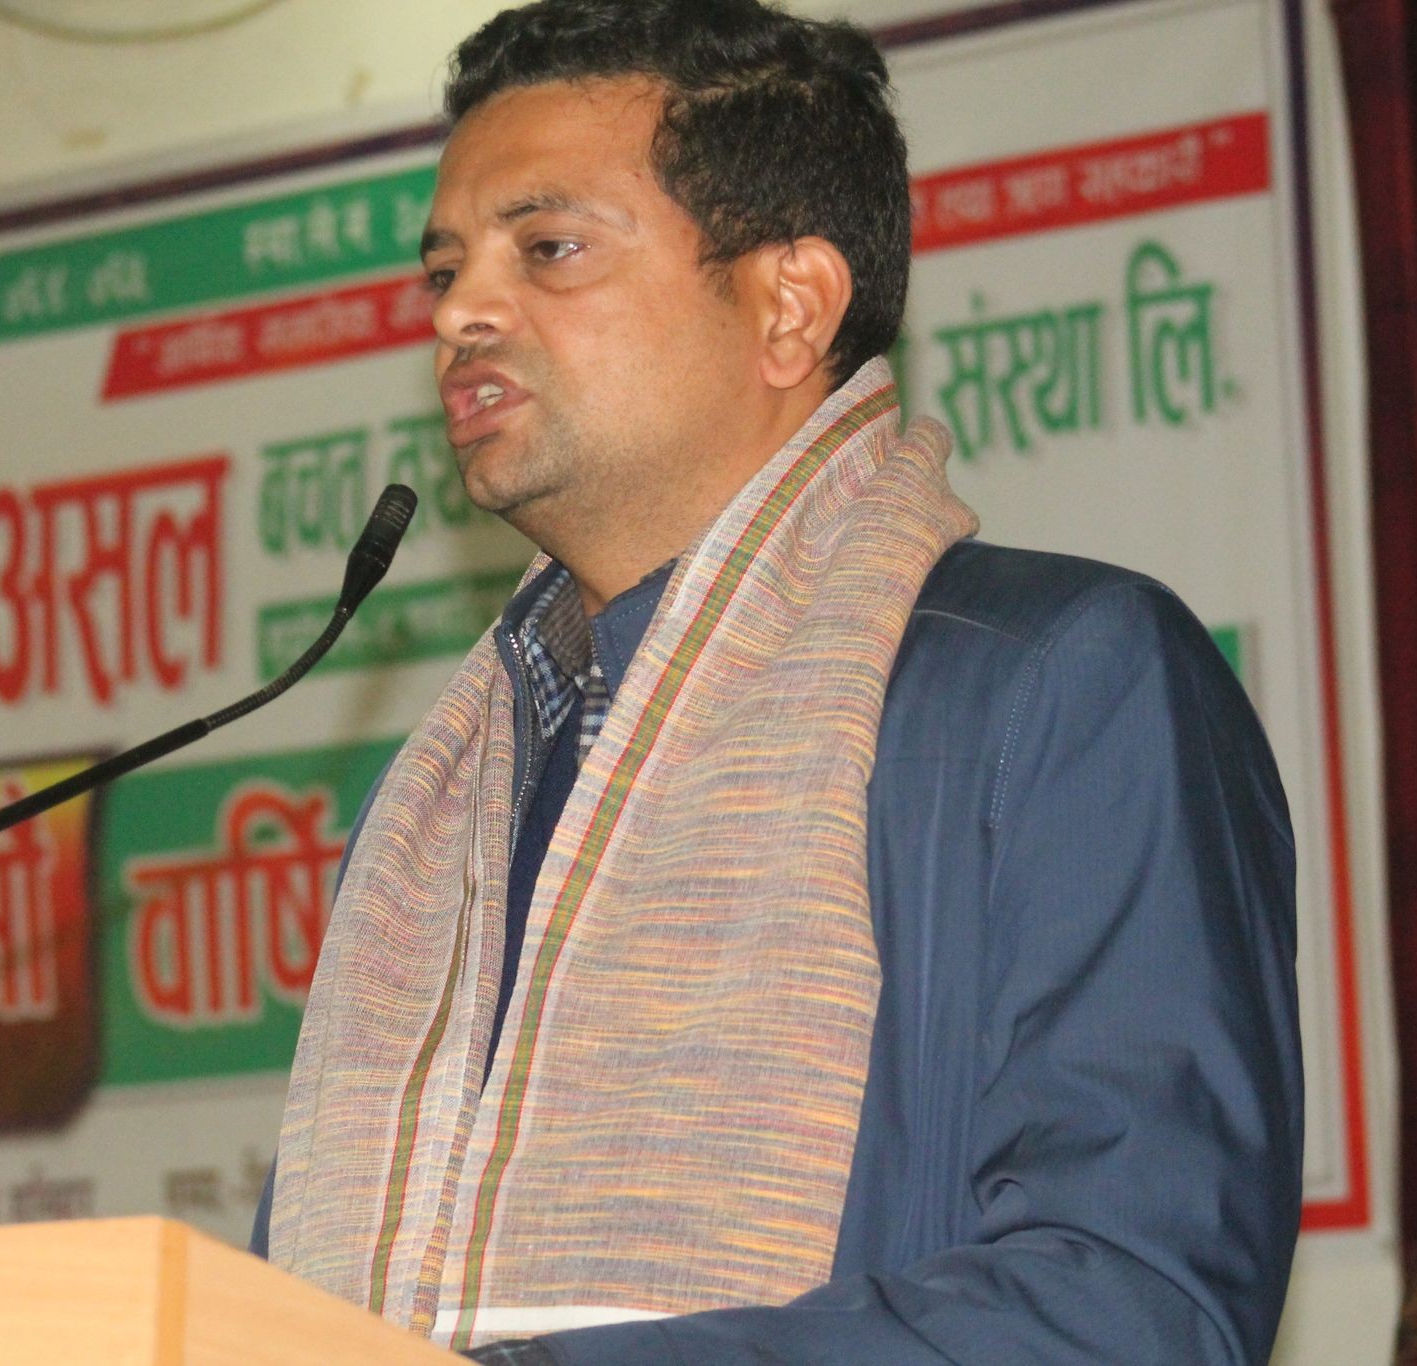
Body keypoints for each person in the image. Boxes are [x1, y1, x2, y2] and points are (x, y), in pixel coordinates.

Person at [253, 2, 1303, 1362]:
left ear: (790, 305)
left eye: (548, 248)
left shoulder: (1061, 686)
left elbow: (1135, 1300)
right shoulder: (440, 806)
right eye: (444, 269)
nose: (459, 312)